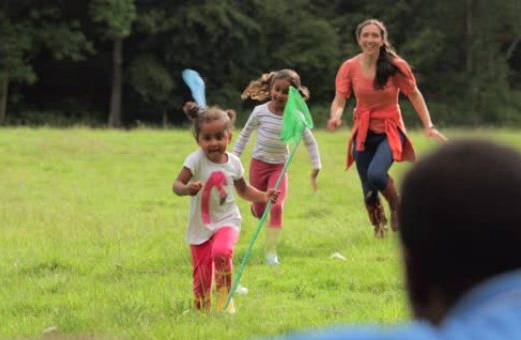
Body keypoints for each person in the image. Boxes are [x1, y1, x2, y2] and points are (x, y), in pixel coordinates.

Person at [0, 139, 521, 340]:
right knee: (203, 271)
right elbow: (181, 182)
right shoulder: (199, 158)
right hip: (199, 228)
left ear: (413, 274)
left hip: (223, 229)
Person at [327, 18, 447, 238]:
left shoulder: (394, 66)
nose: (370, 39)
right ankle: (379, 228)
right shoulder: (349, 67)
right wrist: (335, 116)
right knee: (369, 193)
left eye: (375, 35)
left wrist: (428, 126)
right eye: (366, 35)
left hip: (390, 132)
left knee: (376, 174)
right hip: (363, 134)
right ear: (358, 39)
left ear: (382, 40)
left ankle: (397, 206)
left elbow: (414, 94)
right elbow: (340, 98)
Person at [172, 102, 279, 312]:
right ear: (198, 140)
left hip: (227, 220)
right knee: (201, 276)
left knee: (221, 252)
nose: (214, 143)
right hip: (200, 225)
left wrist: (264, 196)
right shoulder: (195, 160)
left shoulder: (234, 163)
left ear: (229, 137)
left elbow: (244, 190)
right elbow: (176, 185)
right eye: (207, 138)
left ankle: (225, 299)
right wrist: (187, 189)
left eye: (219, 137)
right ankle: (202, 311)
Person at [234, 69, 322, 265]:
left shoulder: (296, 117)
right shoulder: (260, 112)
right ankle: (256, 209)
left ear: (293, 94)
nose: (280, 95)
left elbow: (309, 142)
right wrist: (234, 159)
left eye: (285, 92)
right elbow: (245, 135)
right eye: (277, 89)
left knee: (276, 206)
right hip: (258, 165)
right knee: (259, 209)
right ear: (270, 89)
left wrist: (316, 165)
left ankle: (271, 251)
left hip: (279, 168)